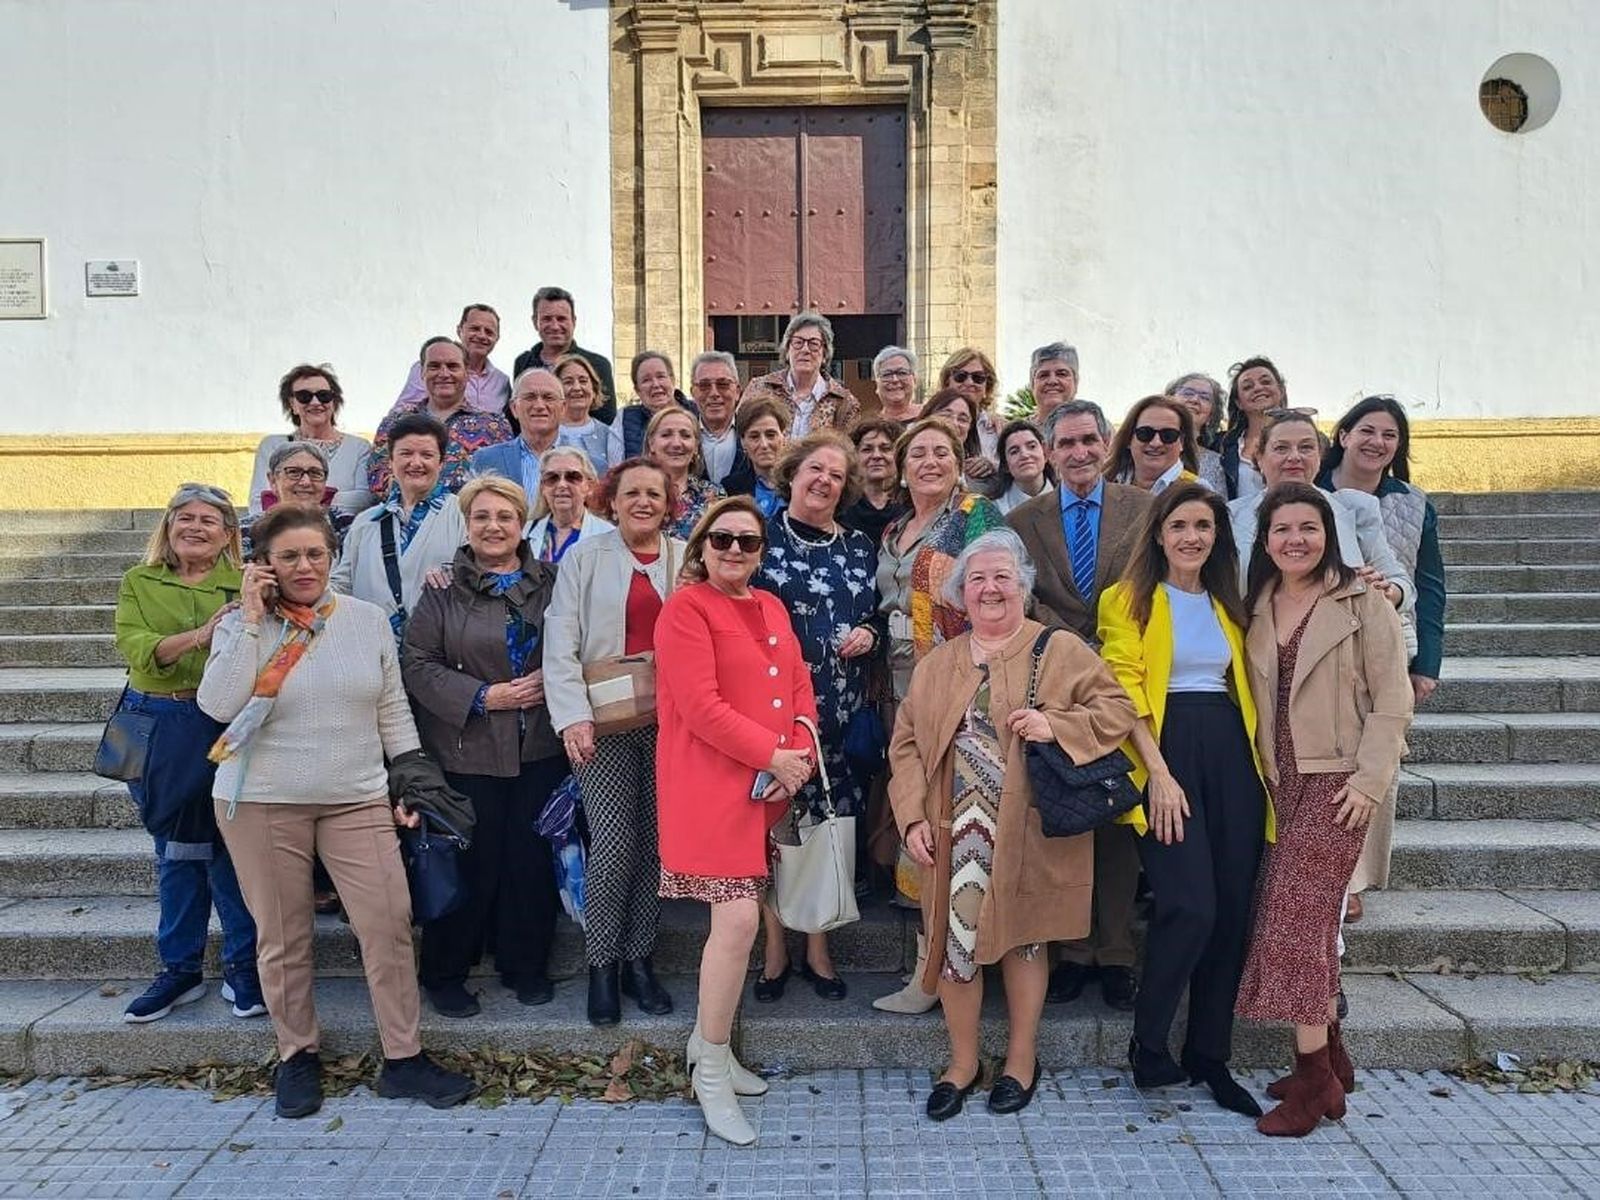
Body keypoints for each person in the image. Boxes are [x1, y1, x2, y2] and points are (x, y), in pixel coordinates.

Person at [200, 505, 474, 1119]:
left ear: (332, 557)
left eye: (315, 554)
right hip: (262, 798)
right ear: (263, 565)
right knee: (282, 935)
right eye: (288, 556)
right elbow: (218, 705)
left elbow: (393, 710)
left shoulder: (365, 619)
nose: (304, 566)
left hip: (357, 795)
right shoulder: (241, 625)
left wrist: (412, 783)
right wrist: (251, 620)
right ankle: (296, 1054)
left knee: (388, 922)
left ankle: (403, 1057)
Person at [890, 529, 1137, 1121]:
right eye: (977, 579)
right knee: (955, 947)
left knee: (1025, 940)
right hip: (952, 832)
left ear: (1023, 586)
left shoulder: (1059, 649)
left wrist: (1057, 727)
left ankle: (1021, 1061)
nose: (990, 588)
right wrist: (911, 817)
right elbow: (905, 744)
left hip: (1027, 828)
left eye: (1002, 576)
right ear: (960, 594)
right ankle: (962, 1063)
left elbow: (1118, 710)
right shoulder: (938, 663)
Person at [1234, 483, 1412, 1137]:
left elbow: (1393, 699)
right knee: (1301, 921)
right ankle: (1332, 1057)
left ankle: (1313, 1081)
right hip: (1280, 781)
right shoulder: (1257, 603)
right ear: (1266, 540)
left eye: (1308, 528)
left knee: (1296, 924)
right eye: (1282, 530)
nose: (1296, 540)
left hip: (1339, 784)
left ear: (1328, 534)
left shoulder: (1362, 600)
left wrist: (1369, 782)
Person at [1098, 483, 1270, 1116]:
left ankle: (1209, 1055)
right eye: (1180, 526)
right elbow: (1122, 689)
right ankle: (1148, 1045)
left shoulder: (1232, 603)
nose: (1192, 537)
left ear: (1218, 536)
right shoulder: (1127, 600)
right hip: (1165, 752)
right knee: (1189, 906)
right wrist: (1159, 773)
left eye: (1203, 526)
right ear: (1159, 533)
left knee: (1230, 912)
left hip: (1232, 756)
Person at [655, 497, 820, 1146]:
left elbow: (799, 685)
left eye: (747, 542)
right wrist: (774, 755)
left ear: (760, 552)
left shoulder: (772, 605)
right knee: (739, 923)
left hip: (766, 786)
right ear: (701, 545)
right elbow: (700, 706)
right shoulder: (686, 609)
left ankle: (708, 1049)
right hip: (710, 787)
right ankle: (711, 1072)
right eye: (722, 538)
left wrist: (799, 757)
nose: (733, 550)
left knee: (743, 920)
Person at [1007, 399, 1152, 1012]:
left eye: (1089, 440)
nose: (1079, 452)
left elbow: (1154, 584)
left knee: (1116, 813)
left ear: (1107, 441)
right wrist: (1070, 646)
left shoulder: (1143, 508)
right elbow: (1025, 595)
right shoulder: (1023, 520)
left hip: (1126, 680)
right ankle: (1071, 951)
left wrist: (1112, 647)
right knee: (1067, 810)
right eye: (1065, 443)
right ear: (1048, 451)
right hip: (1056, 681)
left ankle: (1115, 953)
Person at [401, 477, 565, 1016]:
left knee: (530, 863)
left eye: (505, 517)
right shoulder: (442, 588)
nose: (494, 527)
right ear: (467, 525)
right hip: (467, 749)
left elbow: (580, 644)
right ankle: (446, 971)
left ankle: (526, 965)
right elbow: (417, 663)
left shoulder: (554, 582)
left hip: (539, 747)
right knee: (468, 861)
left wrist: (554, 677)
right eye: (482, 517)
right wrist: (482, 696)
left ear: (522, 524)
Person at [872, 417, 1007, 1015]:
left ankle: (940, 971)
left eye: (942, 452)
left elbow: (1005, 591)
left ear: (959, 463)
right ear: (902, 468)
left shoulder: (975, 516)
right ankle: (936, 964)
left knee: (949, 819)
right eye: (918, 453)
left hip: (956, 686)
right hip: (897, 686)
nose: (930, 462)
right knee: (916, 811)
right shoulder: (894, 528)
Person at [543, 459, 685, 1026]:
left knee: (654, 844)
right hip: (601, 724)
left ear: (668, 505)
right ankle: (601, 963)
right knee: (612, 843)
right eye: (632, 493)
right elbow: (560, 643)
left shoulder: (685, 560)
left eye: (654, 494)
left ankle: (639, 960)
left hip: (670, 723)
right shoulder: (584, 558)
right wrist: (572, 718)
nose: (643, 502)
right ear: (612, 500)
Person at [113, 484, 261, 1024]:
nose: (195, 528)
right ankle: (180, 968)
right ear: (169, 526)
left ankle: (244, 966)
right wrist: (202, 635)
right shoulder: (139, 580)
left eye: (209, 521)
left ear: (228, 535)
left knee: (229, 848)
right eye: (186, 518)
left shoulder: (242, 585)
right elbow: (137, 650)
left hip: (215, 722)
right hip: (151, 721)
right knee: (174, 850)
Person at [750, 433, 881, 1005]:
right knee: (774, 831)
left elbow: (877, 614)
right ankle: (775, 950)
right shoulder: (758, 536)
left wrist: (870, 633)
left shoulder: (859, 546)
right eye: (815, 469)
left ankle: (819, 948)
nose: (824, 480)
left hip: (839, 713)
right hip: (772, 713)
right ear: (793, 474)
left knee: (830, 825)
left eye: (836, 474)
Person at [1319, 395, 1445, 920]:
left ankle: (1354, 879)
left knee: (1378, 762)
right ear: (1344, 435)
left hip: (1392, 639)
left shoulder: (1412, 502)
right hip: (1324, 642)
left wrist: (1427, 663)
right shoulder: (1313, 491)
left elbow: (1429, 585)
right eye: (1366, 430)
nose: (1377, 442)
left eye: (1389, 435)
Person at [1228, 411, 1415, 616]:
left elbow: (1400, 582)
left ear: (1319, 457)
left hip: (1338, 631)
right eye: (1281, 448)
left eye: (1306, 448)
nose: (1294, 457)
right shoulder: (1231, 516)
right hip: (1256, 631)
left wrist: (1389, 591)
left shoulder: (1354, 509)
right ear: (1260, 458)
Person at [333, 413, 467, 642]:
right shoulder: (365, 523)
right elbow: (342, 585)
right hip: (371, 647)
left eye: (426, 455)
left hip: (439, 650)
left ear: (441, 463)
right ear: (391, 462)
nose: (416, 463)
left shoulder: (464, 515)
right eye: (406, 453)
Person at [368, 337, 512, 494]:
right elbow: (378, 479)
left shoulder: (494, 427)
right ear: (422, 373)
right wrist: (431, 500)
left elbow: (504, 480)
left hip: (469, 509)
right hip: (407, 509)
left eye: (452, 366)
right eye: (434, 366)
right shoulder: (394, 424)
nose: (444, 374)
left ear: (467, 373)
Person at [248, 364, 371, 513]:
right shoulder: (272, 446)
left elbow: (364, 501)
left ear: (334, 402)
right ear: (292, 404)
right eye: (304, 396)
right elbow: (260, 502)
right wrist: (331, 497)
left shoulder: (359, 447)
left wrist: (295, 497)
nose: (315, 402)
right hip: (281, 526)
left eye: (323, 395)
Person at [738, 311, 859, 435]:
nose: (805, 349)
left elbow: (849, 446)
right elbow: (739, 434)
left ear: (825, 354)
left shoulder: (843, 402)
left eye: (814, 344)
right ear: (787, 351)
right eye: (798, 342)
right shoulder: (759, 389)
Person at [512, 286, 617, 422]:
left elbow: (607, 420)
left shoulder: (598, 364)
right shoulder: (523, 363)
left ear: (574, 321)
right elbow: (518, 415)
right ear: (535, 322)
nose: (555, 326)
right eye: (547, 319)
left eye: (561, 319)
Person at [392, 304, 511, 416]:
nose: (481, 335)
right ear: (459, 331)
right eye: (474, 329)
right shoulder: (429, 370)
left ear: (497, 338)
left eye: (489, 332)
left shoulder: (502, 381)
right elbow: (400, 413)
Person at [242, 443, 355, 557]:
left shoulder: (347, 527)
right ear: (273, 480)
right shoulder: (245, 532)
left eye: (315, 473)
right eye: (293, 472)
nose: (306, 482)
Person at [469, 368, 564, 495]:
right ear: (514, 408)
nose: (539, 406)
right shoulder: (486, 459)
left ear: (563, 408)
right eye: (530, 397)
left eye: (548, 397)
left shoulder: (586, 458)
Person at [645, 405, 724, 540]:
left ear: (696, 446)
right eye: (666, 435)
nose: (676, 443)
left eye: (685, 435)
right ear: (651, 443)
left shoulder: (713, 495)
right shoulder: (633, 491)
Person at [525, 446, 612, 564]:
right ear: (543, 488)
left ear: (589, 486)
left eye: (572, 477)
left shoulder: (608, 536)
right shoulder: (524, 532)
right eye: (552, 478)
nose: (561, 484)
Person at [1106, 395, 1208, 495]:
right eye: (1145, 433)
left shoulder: (1196, 491)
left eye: (1168, 435)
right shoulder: (1105, 482)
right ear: (1128, 439)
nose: (1156, 443)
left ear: (1182, 442)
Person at [1219, 356, 1287, 499]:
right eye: (1247, 387)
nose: (1258, 388)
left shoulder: (1308, 440)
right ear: (1238, 403)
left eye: (1266, 382)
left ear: (1280, 391)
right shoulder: (1222, 446)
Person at [608, 350, 693, 465]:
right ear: (637, 390)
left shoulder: (697, 412)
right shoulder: (624, 418)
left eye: (661, 376)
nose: (655, 384)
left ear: (672, 380)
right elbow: (616, 469)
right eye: (646, 380)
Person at [840, 416, 906, 545]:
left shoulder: (910, 503)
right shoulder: (841, 503)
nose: (876, 456)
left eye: (885, 449)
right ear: (854, 456)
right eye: (867, 449)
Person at [722, 396, 791, 519]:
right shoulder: (730, 488)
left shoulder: (801, 483)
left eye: (771, 435)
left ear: (784, 437)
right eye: (754, 437)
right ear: (743, 442)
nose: (764, 444)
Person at [935, 348, 1001, 468]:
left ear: (987, 387)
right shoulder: (928, 422)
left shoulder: (997, 430)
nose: (969, 382)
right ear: (947, 382)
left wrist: (993, 467)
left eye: (978, 377)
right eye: (960, 376)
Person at [690, 351, 747, 485]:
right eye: (704, 386)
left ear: (737, 392)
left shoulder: (752, 433)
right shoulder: (680, 436)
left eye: (723, 385)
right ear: (693, 393)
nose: (714, 393)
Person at [1165, 371, 1228, 491]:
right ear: (1169, 400)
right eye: (1188, 393)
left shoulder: (1217, 464)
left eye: (1205, 398)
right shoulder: (1147, 443)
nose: (1195, 400)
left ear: (1211, 416)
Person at [554, 354, 613, 475]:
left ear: (594, 389)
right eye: (568, 382)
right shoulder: (544, 433)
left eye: (583, 381)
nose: (577, 387)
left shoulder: (610, 435)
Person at [918, 388, 991, 482]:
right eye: (945, 415)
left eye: (962, 419)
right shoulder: (905, 465)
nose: (954, 423)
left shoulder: (983, 481)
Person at [988, 419, 1055, 515]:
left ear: (1045, 452)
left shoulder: (1068, 495)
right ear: (1005, 465)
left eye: (1032, 446)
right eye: (1014, 452)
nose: (1024, 455)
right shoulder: (994, 509)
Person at [1028, 342, 1079, 427]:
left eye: (1061, 374)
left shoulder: (1094, 428)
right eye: (1043, 375)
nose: (1052, 381)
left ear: (1076, 382)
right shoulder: (1016, 432)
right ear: (1032, 384)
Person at [873, 346, 920, 423]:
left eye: (902, 373)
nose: (895, 380)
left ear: (914, 380)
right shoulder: (872, 425)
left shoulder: (930, 417)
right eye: (887, 374)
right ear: (877, 384)